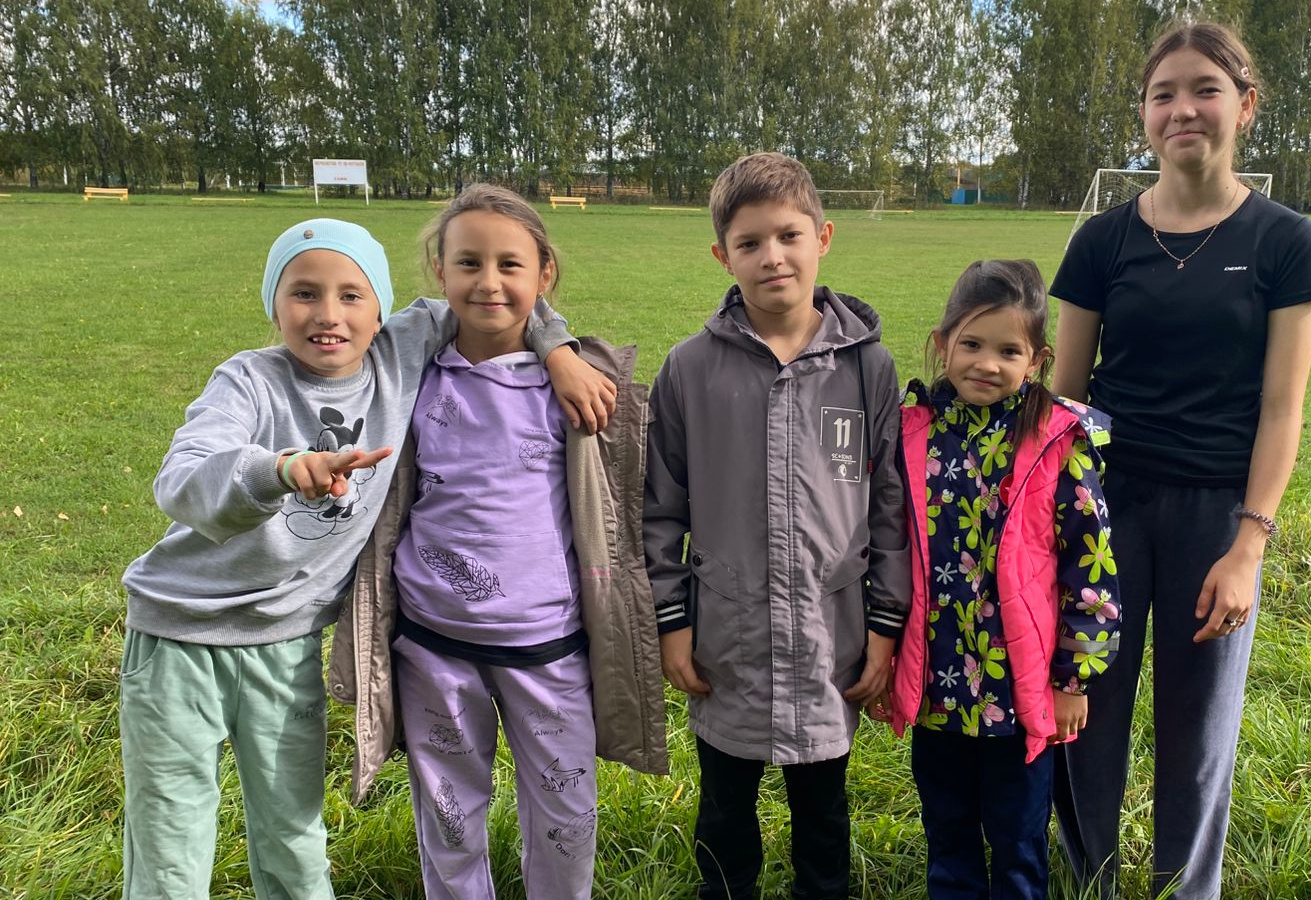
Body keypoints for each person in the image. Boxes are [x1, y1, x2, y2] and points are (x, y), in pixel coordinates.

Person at [118, 217, 612, 899]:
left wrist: (557, 349)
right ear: (272, 304)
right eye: (303, 293)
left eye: (352, 295)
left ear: (383, 310)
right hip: (180, 632)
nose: (329, 314)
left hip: (288, 641)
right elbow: (181, 480)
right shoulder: (249, 380)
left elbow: (494, 297)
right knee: (170, 846)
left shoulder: (399, 353)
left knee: (295, 839)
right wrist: (280, 469)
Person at [1048, 21, 1311, 900]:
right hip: (1104, 510)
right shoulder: (1101, 242)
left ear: (1244, 107)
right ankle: (1087, 882)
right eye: (1163, 93)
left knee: (1199, 727)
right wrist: (1051, 530)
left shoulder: (1286, 241)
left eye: (1205, 90)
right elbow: (1064, 400)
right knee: (1085, 711)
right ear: (1144, 114)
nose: (1183, 109)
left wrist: (1249, 544)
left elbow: (1282, 408)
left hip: (1218, 514)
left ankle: (1187, 889)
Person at [327, 185, 669, 900]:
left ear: (544, 274)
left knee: (567, 818)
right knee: (450, 820)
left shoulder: (579, 384)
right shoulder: (411, 371)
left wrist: (557, 348)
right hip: (434, 644)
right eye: (468, 262)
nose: (488, 281)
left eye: (510, 264)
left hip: (548, 645)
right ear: (440, 269)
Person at [643, 151, 911, 900]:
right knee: (724, 813)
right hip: (727, 641)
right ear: (722, 255)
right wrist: (671, 622)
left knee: (824, 817)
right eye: (750, 242)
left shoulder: (869, 368)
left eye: (789, 236)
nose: (773, 257)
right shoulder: (688, 369)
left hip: (832, 640)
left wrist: (885, 625)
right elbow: (661, 509)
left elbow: (889, 508)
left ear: (822, 237)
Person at [872, 259, 1121, 900]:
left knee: (1018, 839)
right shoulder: (911, 436)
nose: (987, 364)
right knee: (947, 829)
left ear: (1037, 360)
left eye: (1008, 351)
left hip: (1021, 688)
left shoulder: (1057, 443)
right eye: (971, 344)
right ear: (941, 344)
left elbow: (1091, 566)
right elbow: (886, 554)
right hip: (937, 684)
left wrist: (1073, 679)